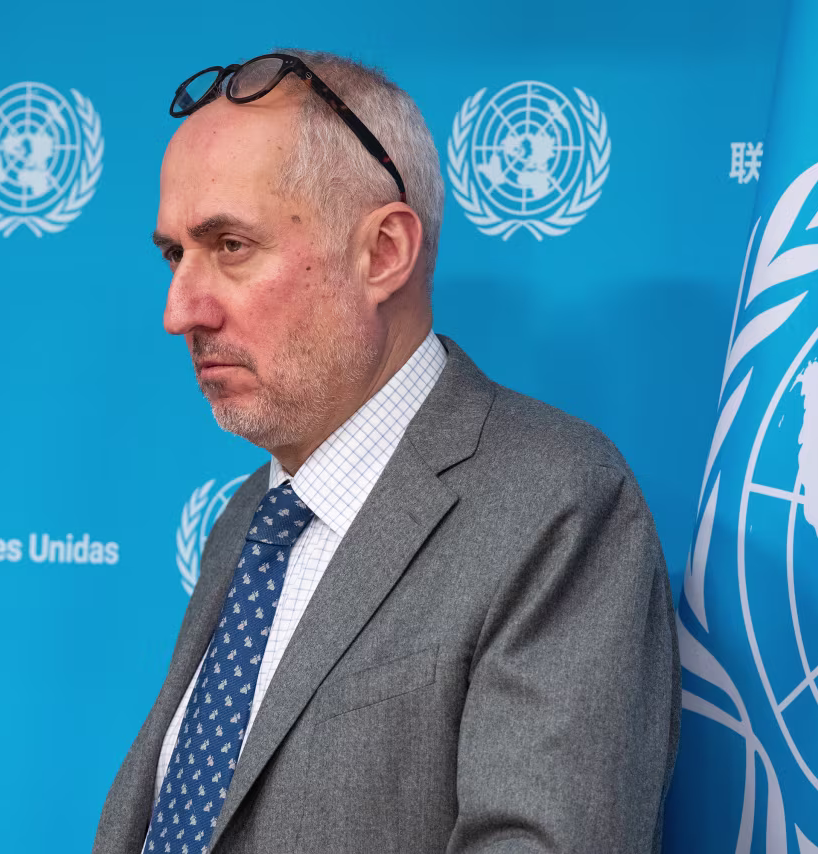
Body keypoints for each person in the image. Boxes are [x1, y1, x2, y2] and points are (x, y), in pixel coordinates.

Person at [92, 49, 680, 854]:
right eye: (174, 254)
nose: (180, 310)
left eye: (229, 245)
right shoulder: (249, 519)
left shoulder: (558, 504)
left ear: (383, 254)